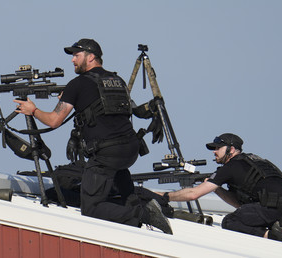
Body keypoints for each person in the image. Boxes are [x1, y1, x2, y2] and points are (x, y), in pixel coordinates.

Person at [14, 38, 172, 234]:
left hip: (106, 153)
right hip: (130, 149)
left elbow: (54, 120)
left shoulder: (77, 84)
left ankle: (143, 214)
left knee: (91, 208)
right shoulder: (117, 80)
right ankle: (137, 213)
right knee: (124, 194)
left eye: (76, 55)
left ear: (90, 57)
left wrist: (33, 110)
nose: (72, 60)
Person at [157, 133, 282, 247]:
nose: (214, 152)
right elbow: (240, 205)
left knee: (230, 221)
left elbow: (194, 194)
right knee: (275, 223)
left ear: (231, 149)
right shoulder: (254, 161)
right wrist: (217, 189)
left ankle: (274, 236)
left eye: (218, 148)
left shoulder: (230, 167)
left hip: (272, 205)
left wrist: (165, 196)